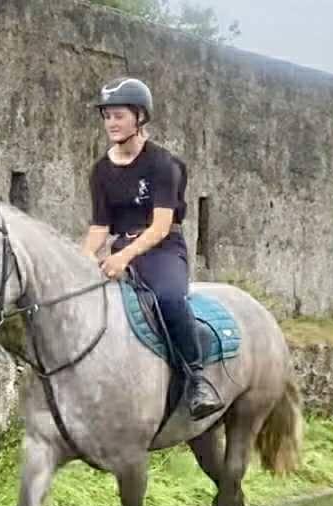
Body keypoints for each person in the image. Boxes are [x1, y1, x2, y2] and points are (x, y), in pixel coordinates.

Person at [78, 76, 224, 421]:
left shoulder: (162, 165)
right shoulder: (100, 170)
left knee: (170, 299)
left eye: (119, 116)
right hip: (122, 246)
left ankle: (196, 379)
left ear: (140, 117)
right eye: (107, 116)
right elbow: (101, 226)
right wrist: (85, 256)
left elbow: (160, 226)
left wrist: (122, 256)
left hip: (162, 248)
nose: (111, 123)